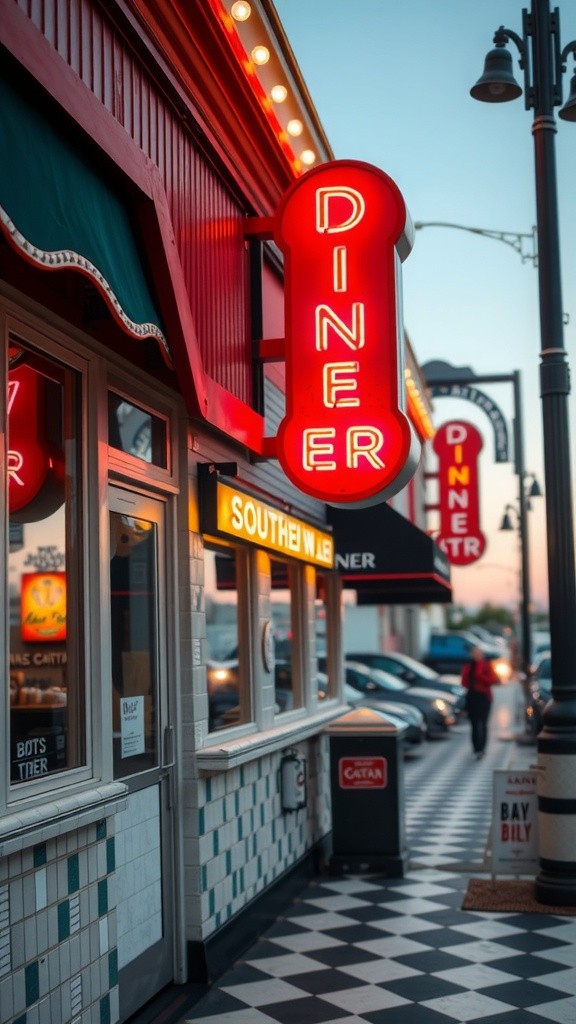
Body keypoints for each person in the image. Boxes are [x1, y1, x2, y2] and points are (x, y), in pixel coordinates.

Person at [461, 645, 500, 758]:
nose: (476, 656)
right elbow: (464, 682)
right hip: (472, 697)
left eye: (478, 653)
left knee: (482, 723)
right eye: (474, 653)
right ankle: (476, 748)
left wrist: (480, 676)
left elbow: (493, 680)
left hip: (484, 697)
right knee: (474, 724)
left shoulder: (486, 665)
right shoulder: (468, 666)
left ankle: (482, 748)